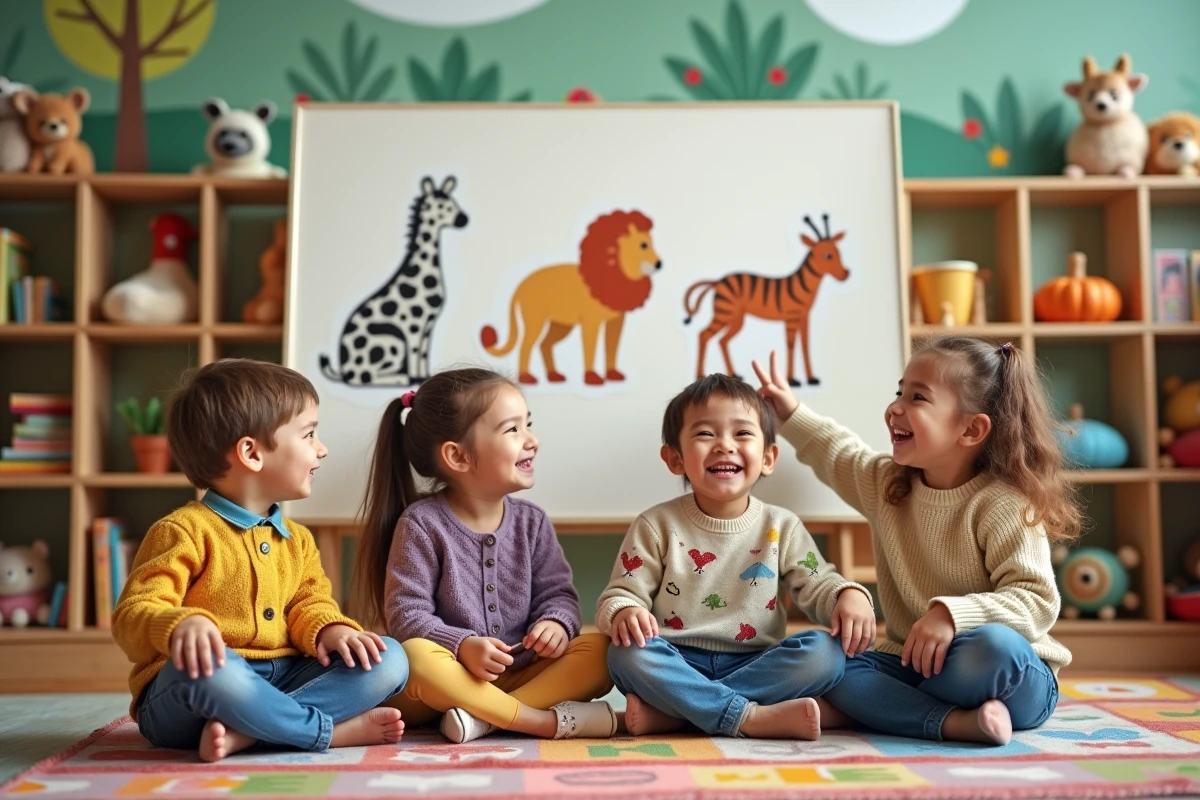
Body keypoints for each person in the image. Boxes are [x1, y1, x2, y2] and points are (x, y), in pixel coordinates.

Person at [752, 336, 1079, 745]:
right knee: (831, 665)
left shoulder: (1002, 504)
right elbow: (837, 451)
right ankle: (954, 721)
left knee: (996, 648)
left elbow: (1037, 599)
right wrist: (788, 412)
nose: (895, 408)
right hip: (913, 665)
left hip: (1010, 677)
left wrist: (951, 615)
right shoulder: (888, 484)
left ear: (971, 428)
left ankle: (897, 709)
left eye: (918, 397)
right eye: (899, 392)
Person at [113, 359, 408, 762]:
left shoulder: (298, 540)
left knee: (389, 658)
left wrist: (330, 631)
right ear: (251, 453)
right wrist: (180, 624)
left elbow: (309, 604)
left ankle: (251, 731)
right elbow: (132, 615)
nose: (321, 449)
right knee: (211, 670)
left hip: (283, 679)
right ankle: (322, 732)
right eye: (308, 434)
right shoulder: (182, 531)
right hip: (195, 696)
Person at [598, 373, 876, 739]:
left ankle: (686, 713)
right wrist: (625, 611)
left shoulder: (782, 525)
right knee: (626, 654)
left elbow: (818, 583)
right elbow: (620, 594)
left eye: (742, 434)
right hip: (677, 660)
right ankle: (748, 717)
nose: (724, 445)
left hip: (758, 661)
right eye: (705, 434)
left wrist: (848, 594)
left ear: (768, 457)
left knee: (825, 653)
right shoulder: (656, 524)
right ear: (675, 459)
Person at [355, 367, 616, 744]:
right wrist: (461, 645)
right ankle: (534, 721)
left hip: (522, 673)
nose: (532, 440)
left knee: (602, 651)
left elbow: (557, 595)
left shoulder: (532, 522)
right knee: (414, 656)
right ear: (458, 457)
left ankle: (485, 719)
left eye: (528, 424)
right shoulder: (421, 524)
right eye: (513, 430)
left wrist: (556, 625)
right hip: (445, 683)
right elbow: (406, 616)